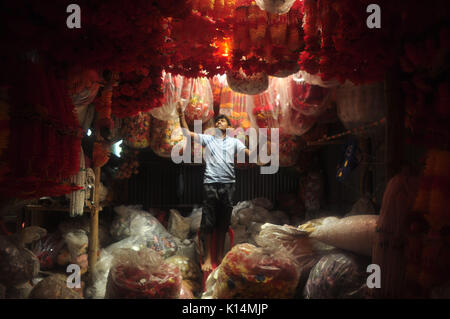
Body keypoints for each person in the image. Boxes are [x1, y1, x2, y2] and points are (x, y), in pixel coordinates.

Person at [176, 102, 254, 272]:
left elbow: (248, 153)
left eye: (222, 121)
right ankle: (208, 257)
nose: (218, 123)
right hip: (211, 183)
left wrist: (261, 157)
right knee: (209, 222)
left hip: (228, 184)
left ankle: (219, 256)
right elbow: (187, 134)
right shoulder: (208, 139)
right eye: (217, 122)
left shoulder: (234, 142)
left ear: (229, 126)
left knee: (223, 223)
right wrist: (181, 115)